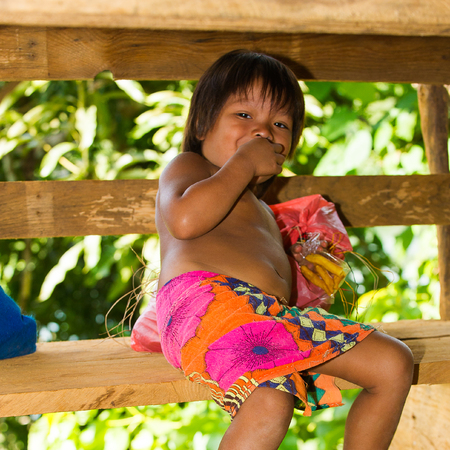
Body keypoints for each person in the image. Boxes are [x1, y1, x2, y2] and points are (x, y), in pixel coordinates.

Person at [154, 49, 414, 450]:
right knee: (270, 399)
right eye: (244, 116)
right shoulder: (190, 167)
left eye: (279, 124)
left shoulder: (260, 211)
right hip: (205, 304)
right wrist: (242, 162)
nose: (263, 132)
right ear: (203, 123)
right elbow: (184, 221)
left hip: (266, 317)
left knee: (392, 364)